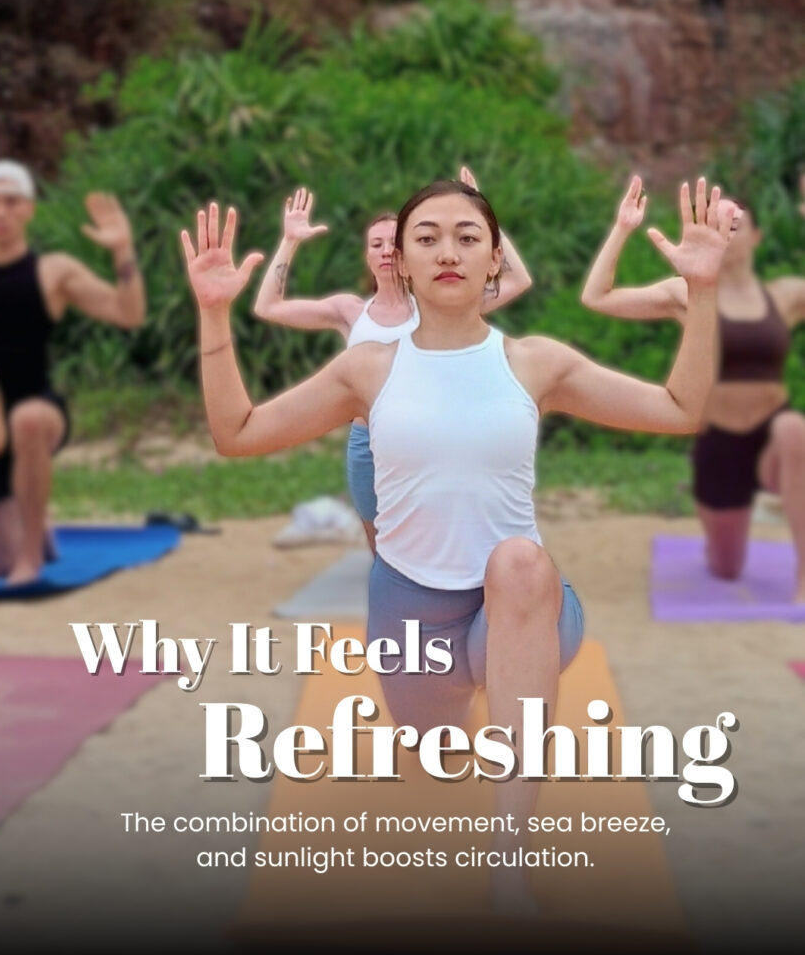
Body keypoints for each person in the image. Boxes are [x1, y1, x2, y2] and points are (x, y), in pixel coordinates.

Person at [182, 176, 733, 912]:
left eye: (467, 237)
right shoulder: (367, 369)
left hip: (523, 605)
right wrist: (213, 312)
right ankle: (459, 707)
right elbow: (237, 433)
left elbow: (680, 408)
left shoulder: (535, 362)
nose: (448, 252)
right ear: (401, 261)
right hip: (413, 618)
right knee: (434, 745)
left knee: (518, 562)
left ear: (494, 259)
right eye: (427, 238)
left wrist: (703, 292)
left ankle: (509, 863)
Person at [252, 168, 533, 551]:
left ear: (406, 253)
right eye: (375, 244)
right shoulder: (350, 311)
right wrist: (289, 241)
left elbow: (517, 280)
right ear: (367, 256)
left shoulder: (439, 304)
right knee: (381, 549)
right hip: (366, 443)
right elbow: (268, 306)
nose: (385, 250)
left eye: (392, 242)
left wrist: (481, 214)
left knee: (436, 542)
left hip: (427, 439)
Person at [582, 175, 805, 602]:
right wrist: (622, 228)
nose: (723, 234)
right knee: (726, 567)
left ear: (756, 237)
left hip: (774, 440)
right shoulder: (685, 294)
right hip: (718, 440)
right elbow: (597, 298)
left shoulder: (785, 295)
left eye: (734, 226)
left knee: (794, 430)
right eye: (713, 223)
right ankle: (728, 535)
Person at [0, 159, 146, 584]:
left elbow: (128, 314)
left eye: (10, 201)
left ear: (28, 208)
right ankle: (33, 524)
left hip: (38, 414)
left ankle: (31, 557)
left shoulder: (52, 272)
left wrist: (122, 250)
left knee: (27, 419)